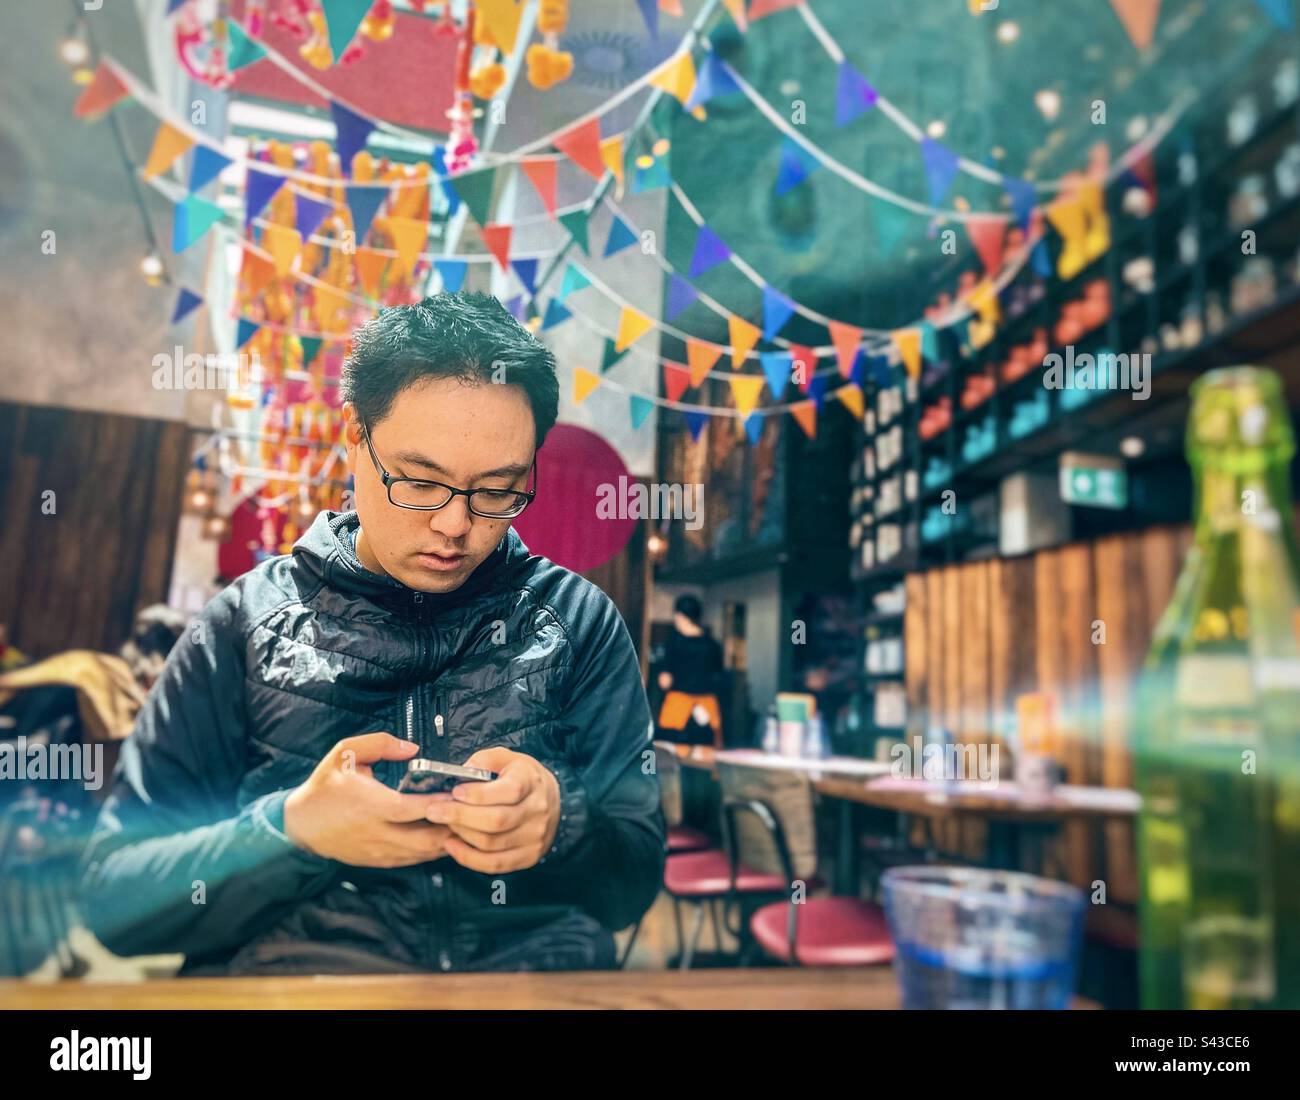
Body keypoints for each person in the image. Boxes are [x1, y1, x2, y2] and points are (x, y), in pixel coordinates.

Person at [80, 292, 665, 976]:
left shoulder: (578, 622)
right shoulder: (240, 627)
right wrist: (290, 831)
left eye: (499, 490)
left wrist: (561, 824)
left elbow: (633, 882)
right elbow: (114, 898)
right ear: (355, 438)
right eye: (420, 481)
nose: (455, 524)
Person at [655, 594, 725, 748]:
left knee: (670, 759)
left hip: (678, 707)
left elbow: (665, 682)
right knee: (706, 758)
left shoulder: (673, 643)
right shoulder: (713, 645)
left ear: (679, 615)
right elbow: (719, 677)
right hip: (707, 708)